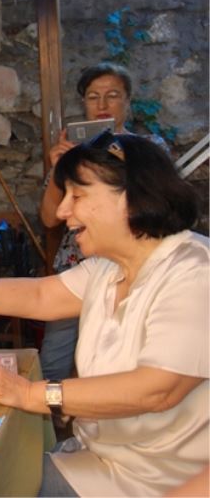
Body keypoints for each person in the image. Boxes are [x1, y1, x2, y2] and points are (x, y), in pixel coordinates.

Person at [0, 133, 208, 496]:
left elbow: (159, 389)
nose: (62, 212)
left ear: (132, 197)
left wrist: (33, 395)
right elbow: (41, 294)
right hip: (98, 463)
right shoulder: (109, 268)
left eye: (77, 196)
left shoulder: (194, 272)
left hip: (163, 483)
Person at [38, 62, 170, 382]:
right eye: (93, 96)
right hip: (76, 264)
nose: (101, 104)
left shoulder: (150, 148)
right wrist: (60, 168)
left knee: (128, 354)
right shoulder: (72, 154)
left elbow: (160, 209)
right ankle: (49, 424)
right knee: (55, 356)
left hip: (133, 268)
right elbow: (49, 218)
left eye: (112, 95)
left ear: (127, 101)